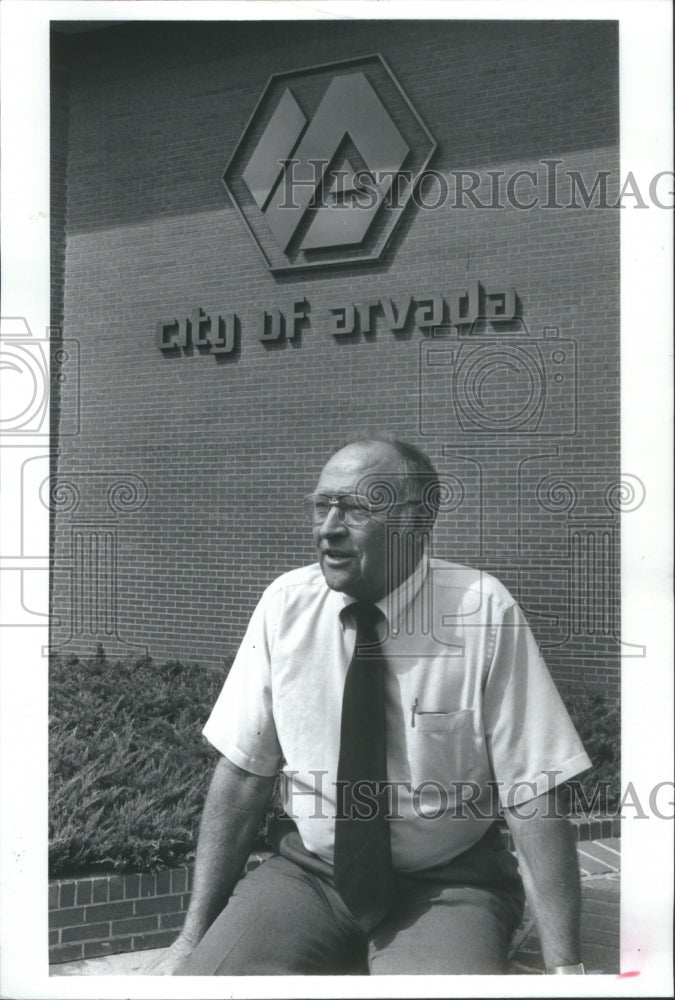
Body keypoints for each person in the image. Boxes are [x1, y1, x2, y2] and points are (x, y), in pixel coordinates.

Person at [147, 434, 591, 976]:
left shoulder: (482, 610)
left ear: (419, 521)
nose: (328, 527)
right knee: (208, 984)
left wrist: (566, 969)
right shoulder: (285, 607)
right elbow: (242, 777)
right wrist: (190, 941)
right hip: (309, 875)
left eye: (356, 507)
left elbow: (533, 789)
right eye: (321, 504)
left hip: (446, 881)